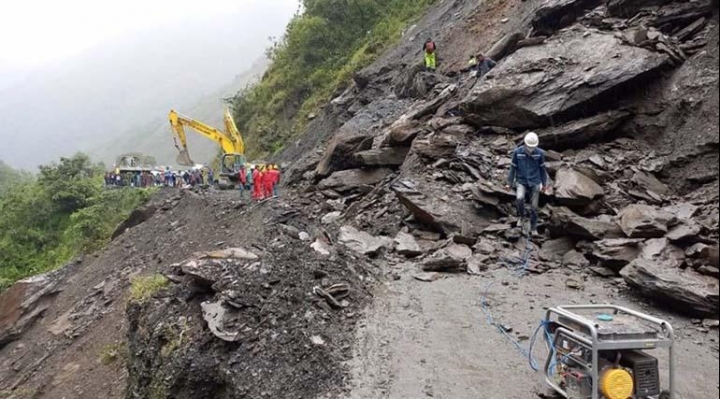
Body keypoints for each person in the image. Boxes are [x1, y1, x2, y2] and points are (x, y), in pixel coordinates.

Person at [507, 132, 548, 237]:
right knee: (520, 198)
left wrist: (544, 184)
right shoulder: (517, 152)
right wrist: (509, 183)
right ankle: (522, 217)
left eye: (533, 147)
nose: (531, 148)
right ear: (525, 144)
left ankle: (533, 227)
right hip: (521, 181)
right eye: (529, 146)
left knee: (534, 207)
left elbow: (543, 170)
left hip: (535, 181)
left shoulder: (540, 153)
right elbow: (512, 168)